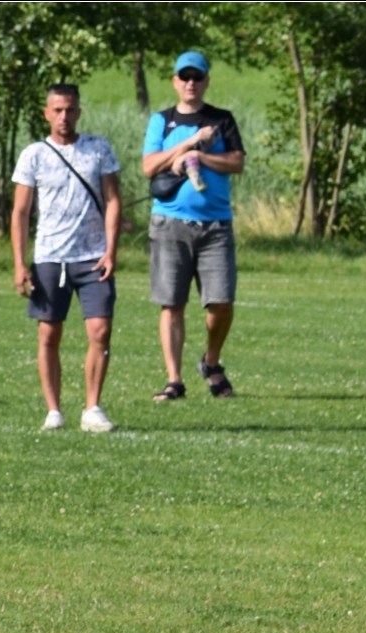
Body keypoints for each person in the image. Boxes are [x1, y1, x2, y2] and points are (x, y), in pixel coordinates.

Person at [10, 83, 122, 433]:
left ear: (79, 112)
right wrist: (19, 262)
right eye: (57, 110)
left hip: (93, 257)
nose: (64, 116)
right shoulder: (34, 155)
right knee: (49, 334)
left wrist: (111, 250)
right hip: (50, 257)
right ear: (46, 113)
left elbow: (113, 200)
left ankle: (92, 407)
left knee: (100, 330)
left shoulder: (98, 148)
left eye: (70, 109)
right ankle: (54, 410)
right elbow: (21, 211)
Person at [142, 50, 245, 402]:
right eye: (184, 77)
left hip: (216, 225)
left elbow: (237, 162)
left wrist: (201, 156)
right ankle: (174, 380)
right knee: (172, 303)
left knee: (222, 302)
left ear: (206, 81)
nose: (191, 83)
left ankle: (211, 361)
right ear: (175, 81)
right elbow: (149, 167)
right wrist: (187, 145)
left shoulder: (221, 120)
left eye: (197, 77)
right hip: (169, 224)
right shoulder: (162, 121)